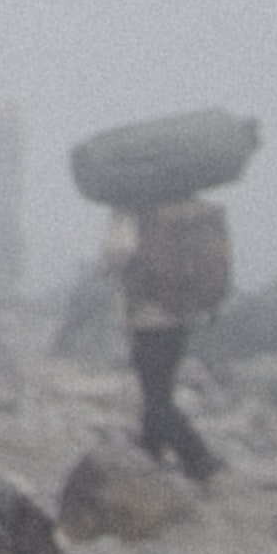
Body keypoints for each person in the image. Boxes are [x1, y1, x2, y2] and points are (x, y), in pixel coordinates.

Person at [116, 189, 230, 481]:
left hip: (147, 319)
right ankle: (150, 454)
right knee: (160, 389)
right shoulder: (192, 210)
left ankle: (196, 457)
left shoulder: (137, 213)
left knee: (156, 396)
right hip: (180, 316)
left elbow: (113, 256)